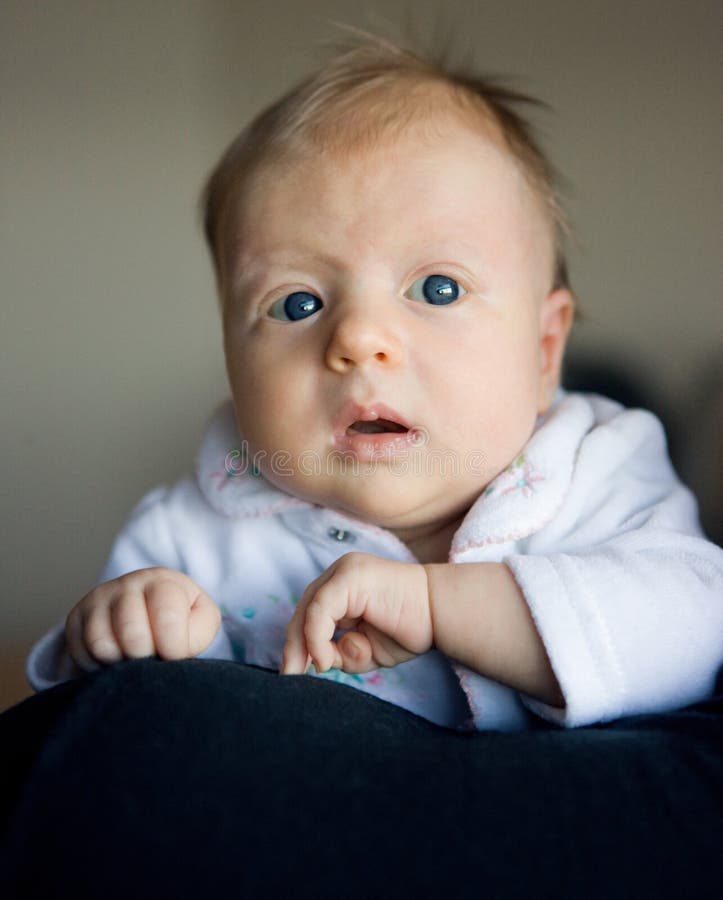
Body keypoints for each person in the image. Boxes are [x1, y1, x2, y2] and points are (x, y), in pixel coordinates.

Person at [25, 32, 723, 733]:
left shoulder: (593, 468)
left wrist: (437, 606)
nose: (358, 339)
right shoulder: (190, 535)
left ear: (544, 351)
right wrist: (130, 634)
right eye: (298, 304)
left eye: (438, 288)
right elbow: (102, 730)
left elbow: (696, 624)